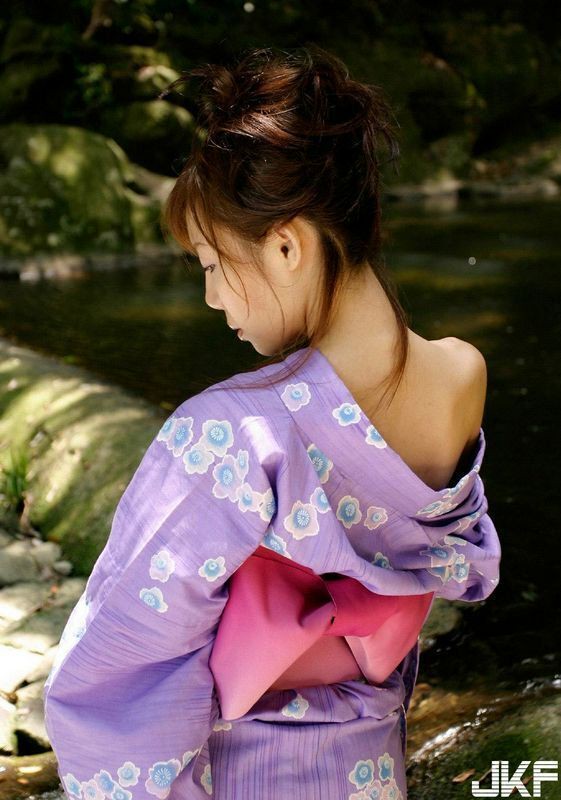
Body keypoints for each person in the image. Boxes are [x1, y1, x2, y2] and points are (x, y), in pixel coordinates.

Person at [43, 45, 501, 800]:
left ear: (286, 245)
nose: (212, 298)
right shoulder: (462, 374)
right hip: (369, 767)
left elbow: (117, 666)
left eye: (212, 264)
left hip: (244, 773)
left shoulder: (229, 431)